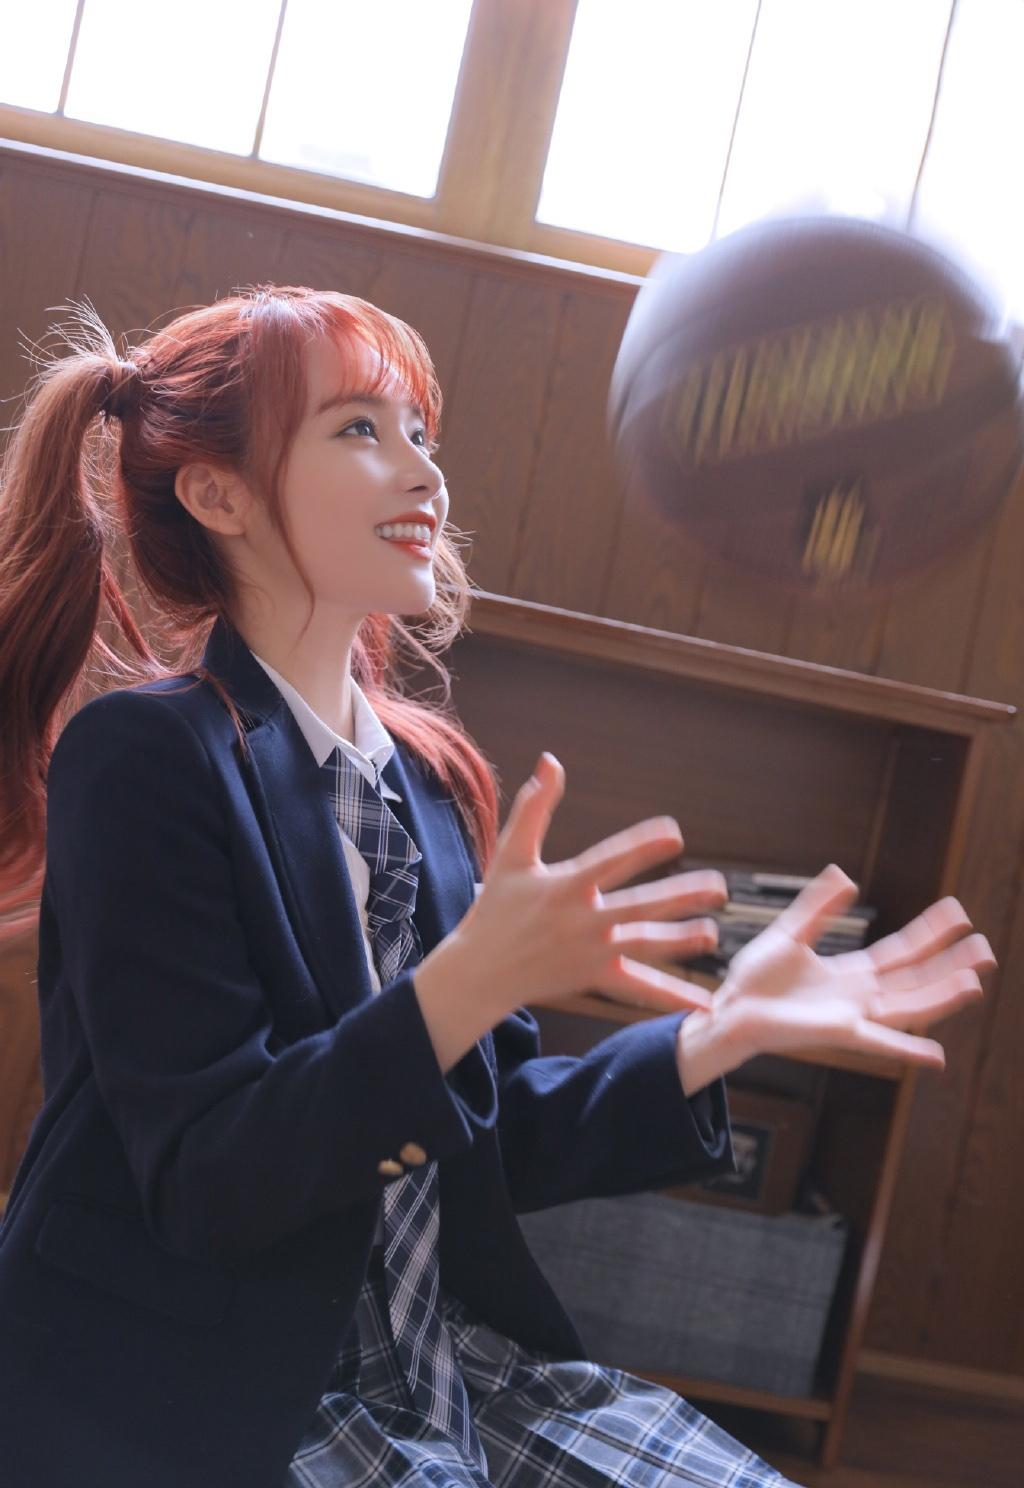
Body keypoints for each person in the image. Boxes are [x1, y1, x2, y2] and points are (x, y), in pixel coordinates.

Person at [0, 285, 992, 1488]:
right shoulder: (147, 760)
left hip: (452, 1366)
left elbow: (491, 1130)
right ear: (219, 496)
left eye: (420, 434)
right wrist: (462, 985)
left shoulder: (425, 782)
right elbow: (211, 1180)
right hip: (209, 1398)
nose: (423, 472)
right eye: (359, 429)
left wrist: (719, 1032)